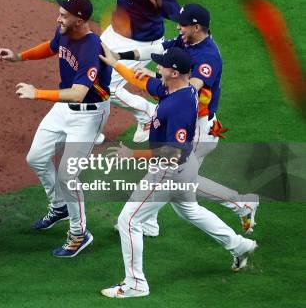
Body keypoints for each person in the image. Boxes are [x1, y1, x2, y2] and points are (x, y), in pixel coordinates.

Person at [99, 47, 257, 298]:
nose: (156, 67)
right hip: (184, 168)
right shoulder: (175, 88)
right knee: (190, 210)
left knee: (129, 221)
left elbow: (172, 151)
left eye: (162, 65)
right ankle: (240, 245)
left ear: (174, 72)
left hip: (168, 171)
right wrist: (116, 64)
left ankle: (135, 284)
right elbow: (148, 83)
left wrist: (133, 155)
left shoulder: (180, 105)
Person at [107, 4, 259, 236]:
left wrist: (158, 77)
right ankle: (241, 206)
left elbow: (190, 92)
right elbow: (157, 49)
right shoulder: (185, 40)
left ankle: (240, 211)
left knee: (177, 181)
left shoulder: (208, 56)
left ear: (196, 27)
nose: (177, 26)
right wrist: (120, 56)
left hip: (197, 129)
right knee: (176, 178)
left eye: (183, 24)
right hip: (183, 121)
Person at [0, 0, 112, 257]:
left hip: (89, 115)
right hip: (63, 108)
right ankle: (59, 205)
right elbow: (51, 47)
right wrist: (19, 57)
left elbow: (79, 93)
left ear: (79, 20)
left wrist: (37, 93)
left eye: (63, 14)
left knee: (67, 175)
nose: (58, 18)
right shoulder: (64, 30)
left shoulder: (91, 47)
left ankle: (79, 233)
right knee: (36, 158)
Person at [102, 0, 181, 143]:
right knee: (90, 75)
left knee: (107, 87)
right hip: (115, 32)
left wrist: (160, 5)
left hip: (141, 42)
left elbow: (177, 13)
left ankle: (147, 113)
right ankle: (90, 127)